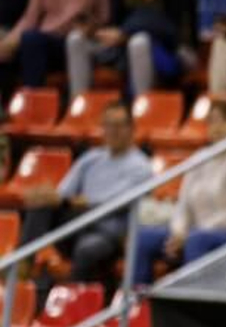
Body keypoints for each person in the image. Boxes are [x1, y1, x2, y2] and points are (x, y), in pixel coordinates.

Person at [133, 97, 226, 284]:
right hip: (199, 233)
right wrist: (178, 232)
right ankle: (138, 305)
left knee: (197, 241)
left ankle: (192, 303)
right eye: (213, 121)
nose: (218, 127)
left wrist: (193, 234)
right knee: (143, 237)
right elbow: (184, 205)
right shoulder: (201, 158)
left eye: (225, 121)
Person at [21, 100, 152, 291]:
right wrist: (47, 195)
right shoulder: (91, 158)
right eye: (108, 125)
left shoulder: (140, 166)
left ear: (131, 129)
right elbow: (62, 194)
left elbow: (114, 204)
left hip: (109, 230)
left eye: (118, 125)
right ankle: (24, 266)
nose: (113, 131)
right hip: (77, 222)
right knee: (43, 205)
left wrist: (71, 201)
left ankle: (73, 304)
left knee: (86, 249)